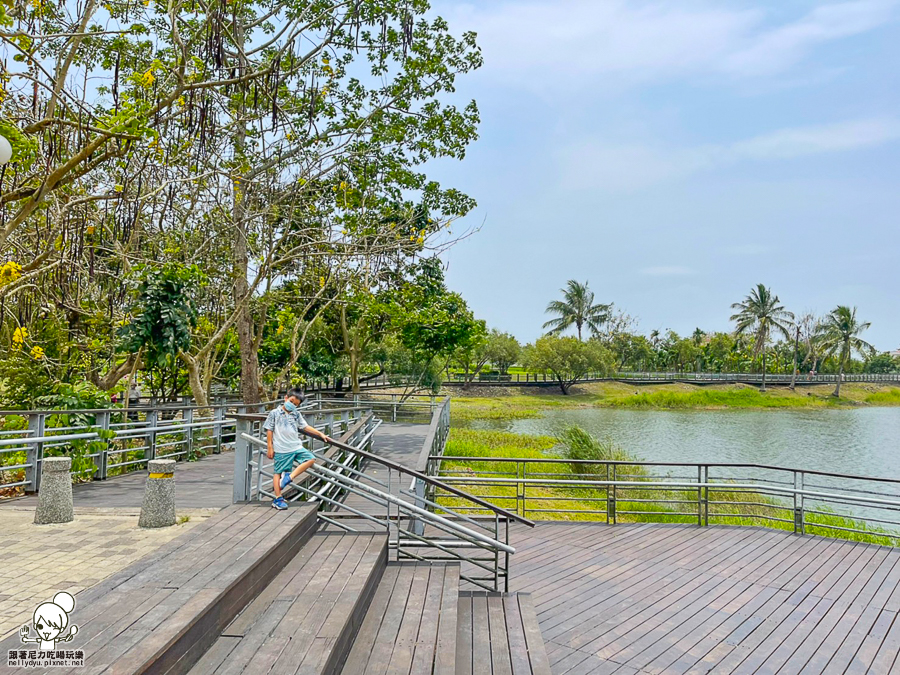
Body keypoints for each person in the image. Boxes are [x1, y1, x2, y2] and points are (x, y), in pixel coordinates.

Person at [263, 388, 332, 510]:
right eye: (291, 401)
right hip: (282, 448)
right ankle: (278, 498)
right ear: (285, 398)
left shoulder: (296, 414)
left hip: (296, 446)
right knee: (277, 472)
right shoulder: (274, 413)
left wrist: (320, 434)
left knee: (310, 459)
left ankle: (289, 477)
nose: (292, 405)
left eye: (296, 404)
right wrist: (270, 447)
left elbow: (305, 426)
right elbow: (269, 429)